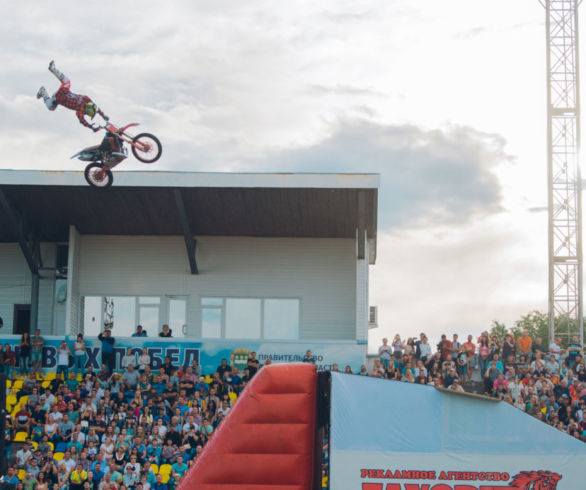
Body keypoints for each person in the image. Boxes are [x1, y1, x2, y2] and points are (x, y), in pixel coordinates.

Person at [37, 61, 108, 132]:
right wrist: (91, 127)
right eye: (87, 113)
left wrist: (103, 115)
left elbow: (95, 107)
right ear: (87, 110)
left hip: (63, 90)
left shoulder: (86, 99)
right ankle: (43, 92)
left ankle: (53, 68)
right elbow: (82, 121)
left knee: (67, 81)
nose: (86, 114)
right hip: (56, 97)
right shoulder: (80, 110)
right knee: (51, 107)